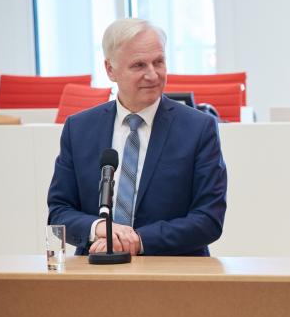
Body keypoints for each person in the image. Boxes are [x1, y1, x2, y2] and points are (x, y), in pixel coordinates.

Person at [47, 18, 227, 256]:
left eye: (159, 62)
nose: (152, 75)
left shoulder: (199, 128)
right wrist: (99, 229)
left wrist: (137, 241)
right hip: (95, 272)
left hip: (174, 274)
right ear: (110, 70)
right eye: (139, 65)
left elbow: (208, 219)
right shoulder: (78, 128)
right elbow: (59, 212)